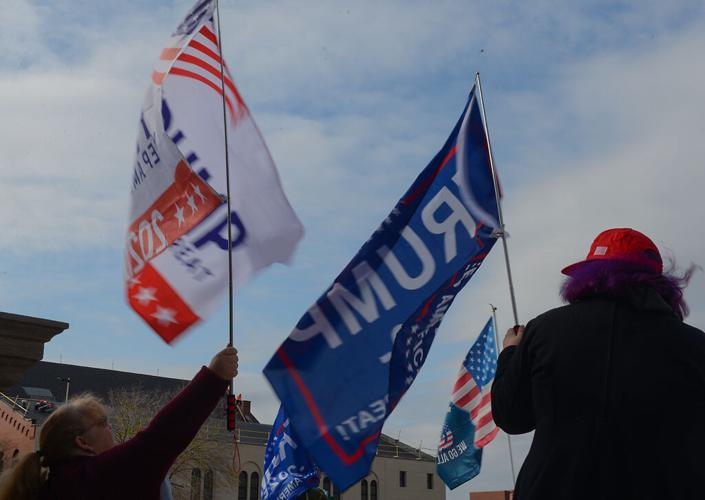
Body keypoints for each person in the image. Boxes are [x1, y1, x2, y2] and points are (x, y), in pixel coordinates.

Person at [491, 228, 704, 500]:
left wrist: (509, 353)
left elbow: (511, 417)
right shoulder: (694, 345)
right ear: (659, 282)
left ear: (588, 275)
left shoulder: (544, 330)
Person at [0, 346, 238, 500]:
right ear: (82, 442)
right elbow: (161, 437)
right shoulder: (98, 477)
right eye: (102, 422)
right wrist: (214, 377)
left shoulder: (52, 486)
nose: (110, 427)